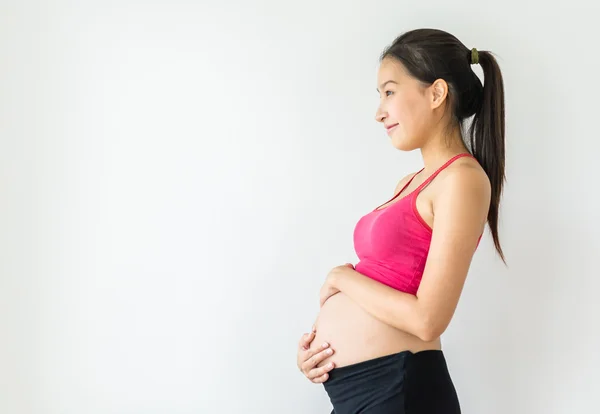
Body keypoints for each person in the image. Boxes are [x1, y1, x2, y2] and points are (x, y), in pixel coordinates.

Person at [296, 28, 506, 413]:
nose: (379, 112)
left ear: (437, 93)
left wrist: (343, 278)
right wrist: (318, 353)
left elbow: (428, 320)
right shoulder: (408, 183)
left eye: (389, 92)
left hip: (400, 390)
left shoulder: (462, 180)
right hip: (360, 392)